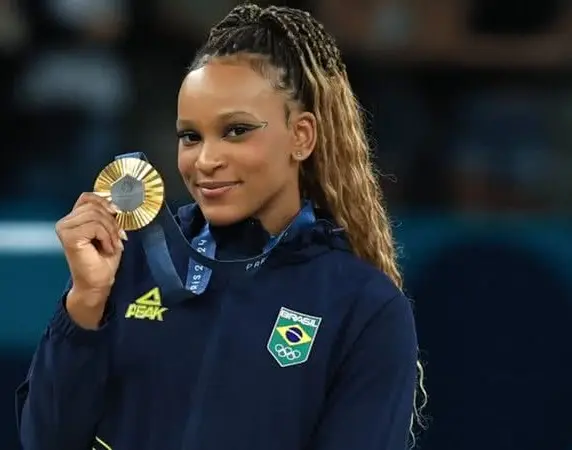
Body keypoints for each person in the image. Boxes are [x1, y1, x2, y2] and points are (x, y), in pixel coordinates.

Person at [16, 4, 422, 450]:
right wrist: (85, 303)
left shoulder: (362, 305)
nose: (206, 161)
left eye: (236, 131)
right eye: (190, 136)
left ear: (301, 136)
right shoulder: (129, 260)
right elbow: (47, 441)